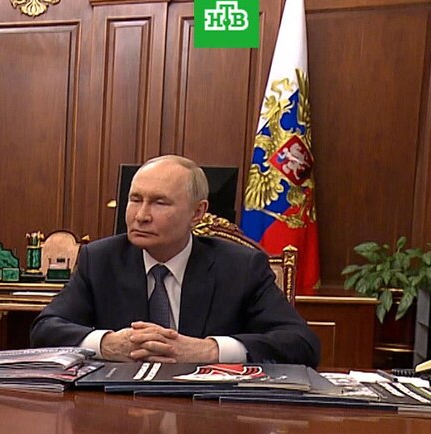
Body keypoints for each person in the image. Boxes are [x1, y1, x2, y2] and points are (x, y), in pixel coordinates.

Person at [30, 155, 320, 367]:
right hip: (120, 413)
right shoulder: (100, 259)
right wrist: (107, 344)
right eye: (135, 199)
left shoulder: (240, 267)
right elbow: (45, 330)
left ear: (197, 213)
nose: (141, 215)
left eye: (160, 202)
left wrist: (209, 350)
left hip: (210, 416)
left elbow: (301, 343)